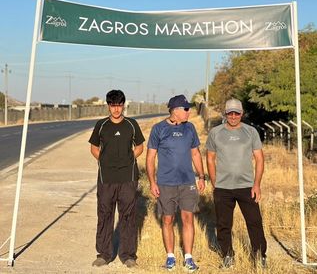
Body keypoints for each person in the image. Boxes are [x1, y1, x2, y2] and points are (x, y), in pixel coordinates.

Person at [146, 95, 205, 272]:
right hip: (165, 183)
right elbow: (150, 157)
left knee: (188, 218)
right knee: (168, 219)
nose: (189, 112)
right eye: (186, 109)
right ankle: (170, 256)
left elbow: (195, 154)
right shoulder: (158, 129)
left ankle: (188, 258)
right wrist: (152, 182)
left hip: (187, 182)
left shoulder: (190, 128)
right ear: (175, 111)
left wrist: (201, 176)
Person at [206, 98, 267, 269]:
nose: (233, 116)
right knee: (223, 224)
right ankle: (227, 255)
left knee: (254, 222)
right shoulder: (216, 132)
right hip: (223, 187)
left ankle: (260, 256)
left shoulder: (251, 132)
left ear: (242, 114)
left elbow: (259, 159)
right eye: (230, 113)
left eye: (237, 113)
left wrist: (257, 184)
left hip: (247, 186)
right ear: (225, 114)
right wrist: (214, 182)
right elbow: (210, 158)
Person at [89, 90, 145, 268]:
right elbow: (94, 148)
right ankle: (104, 254)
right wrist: (105, 162)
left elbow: (140, 146)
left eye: (119, 105)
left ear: (123, 105)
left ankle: (128, 255)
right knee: (104, 215)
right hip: (106, 178)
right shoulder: (101, 125)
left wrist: (129, 160)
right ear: (108, 106)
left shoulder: (131, 124)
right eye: (113, 105)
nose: (116, 109)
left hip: (128, 178)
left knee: (128, 216)